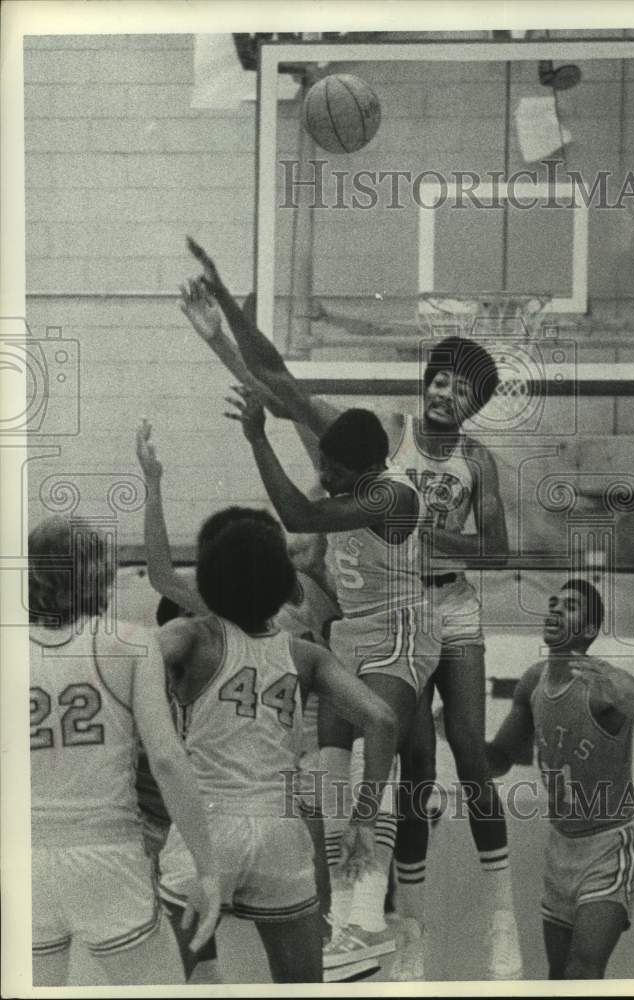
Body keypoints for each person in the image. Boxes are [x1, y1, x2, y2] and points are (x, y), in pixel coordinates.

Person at [181, 238, 522, 980]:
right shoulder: (381, 438)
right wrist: (227, 317)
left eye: (461, 389)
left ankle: (483, 919)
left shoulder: (464, 467)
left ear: (476, 404)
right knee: (390, 767)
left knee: (455, 754)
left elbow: (493, 553)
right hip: (374, 615)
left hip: (436, 610)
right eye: (439, 380)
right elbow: (278, 381)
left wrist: (424, 533)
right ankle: (391, 928)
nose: (445, 394)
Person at [224, 385, 444, 977]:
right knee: (330, 778)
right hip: (352, 631)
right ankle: (342, 923)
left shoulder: (391, 493)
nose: (323, 476)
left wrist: (257, 437)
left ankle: (367, 919)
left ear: (368, 465)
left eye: (334, 469)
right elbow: (321, 552)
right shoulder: (350, 486)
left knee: (376, 764)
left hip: (399, 629)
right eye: (322, 464)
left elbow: (301, 515)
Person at [155, 510, 397, 983]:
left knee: (161, 983)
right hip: (280, 831)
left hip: (208, 823)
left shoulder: (192, 636)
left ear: (210, 578)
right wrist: (364, 821)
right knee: (302, 986)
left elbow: (134, 654)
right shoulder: (305, 654)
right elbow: (382, 720)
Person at [28, 515, 221, 987]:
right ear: (101, 573)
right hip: (106, 855)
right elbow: (167, 760)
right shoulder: (130, 643)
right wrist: (207, 868)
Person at [486, 579, 634, 979]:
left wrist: (625, 702)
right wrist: (457, 737)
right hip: (560, 847)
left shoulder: (610, 683)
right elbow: (500, 760)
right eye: (553, 603)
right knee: (557, 976)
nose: (555, 609)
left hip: (609, 845)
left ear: (589, 629)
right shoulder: (532, 682)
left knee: (582, 971)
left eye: (570, 606)